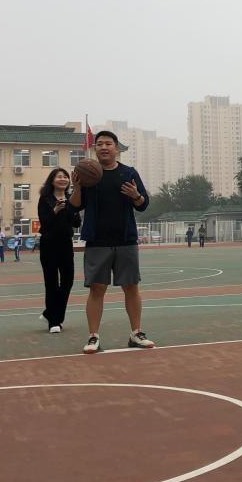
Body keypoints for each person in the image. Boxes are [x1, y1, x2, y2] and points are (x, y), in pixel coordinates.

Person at [69, 131, 154, 353]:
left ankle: (136, 333)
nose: (104, 147)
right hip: (97, 240)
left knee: (131, 287)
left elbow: (143, 204)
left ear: (116, 148)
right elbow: (74, 206)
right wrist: (77, 187)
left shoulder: (129, 173)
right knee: (97, 289)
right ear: (95, 149)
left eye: (108, 143)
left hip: (126, 239)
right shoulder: (87, 174)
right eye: (99, 144)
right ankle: (93, 337)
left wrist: (136, 195)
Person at [37, 167, 81, 334]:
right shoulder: (45, 199)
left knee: (68, 281)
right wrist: (55, 210)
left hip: (65, 244)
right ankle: (54, 322)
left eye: (65, 177)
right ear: (52, 180)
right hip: (48, 244)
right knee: (51, 283)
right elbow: (44, 223)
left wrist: (71, 209)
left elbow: (76, 223)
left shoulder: (71, 198)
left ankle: (50, 313)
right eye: (59, 177)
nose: (63, 179)